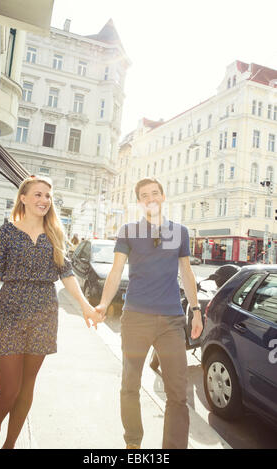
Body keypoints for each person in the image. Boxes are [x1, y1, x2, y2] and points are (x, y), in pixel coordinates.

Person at [0, 175, 102, 449]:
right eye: (38, 194)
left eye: (48, 196)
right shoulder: (8, 232)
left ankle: (10, 443)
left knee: (26, 386)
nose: (44, 200)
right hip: (10, 310)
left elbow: (67, 273)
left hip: (44, 313)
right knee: (9, 388)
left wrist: (85, 307)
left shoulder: (55, 233)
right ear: (23, 198)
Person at [95, 178, 203, 449]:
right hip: (135, 319)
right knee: (130, 385)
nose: (150, 198)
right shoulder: (129, 231)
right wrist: (102, 303)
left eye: (155, 192)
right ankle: (133, 443)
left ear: (163, 196)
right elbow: (117, 270)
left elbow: (186, 273)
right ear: (139, 201)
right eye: (144, 195)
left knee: (178, 392)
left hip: (171, 321)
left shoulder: (180, 232)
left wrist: (197, 309)